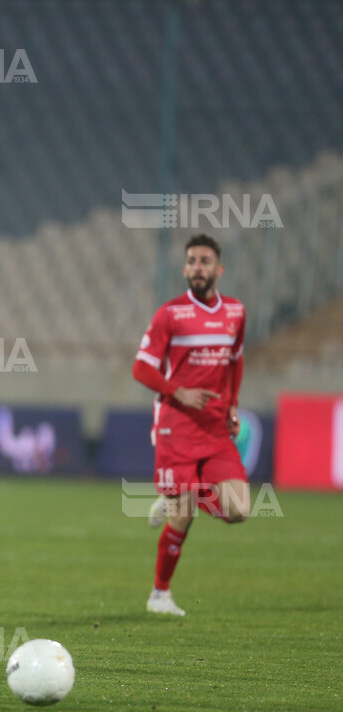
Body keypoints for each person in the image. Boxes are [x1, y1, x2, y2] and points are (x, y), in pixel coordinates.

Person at [132, 232, 248, 616]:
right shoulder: (170, 314)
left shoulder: (235, 313)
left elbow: (235, 360)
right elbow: (141, 367)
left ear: (219, 268)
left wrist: (232, 404)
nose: (198, 268)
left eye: (205, 261)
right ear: (185, 268)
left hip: (215, 428)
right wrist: (178, 392)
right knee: (185, 510)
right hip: (176, 424)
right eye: (192, 261)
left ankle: (177, 497)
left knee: (239, 510)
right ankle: (159, 595)